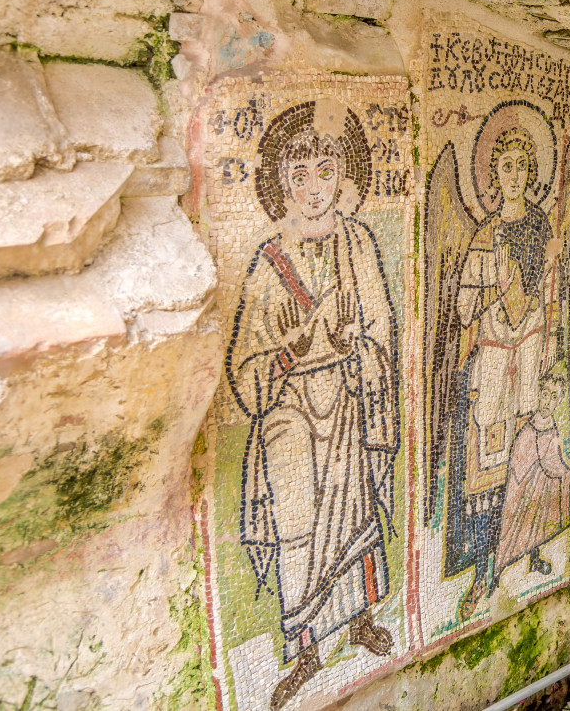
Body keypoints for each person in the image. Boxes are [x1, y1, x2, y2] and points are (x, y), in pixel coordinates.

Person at [227, 128, 399, 711]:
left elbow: (382, 330)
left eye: (325, 172)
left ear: (343, 178)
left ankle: (358, 620)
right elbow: (245, 370)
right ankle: (303, 649)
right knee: (298, 526)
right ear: (282, 185)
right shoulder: (268, 260)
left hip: (347, 399)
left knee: (353, 511)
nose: (313, 189)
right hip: (290, 414)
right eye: (299, 176)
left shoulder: (359, 245)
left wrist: (360, 347)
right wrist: (286, 354)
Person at [453, 125, 557, 619]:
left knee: (531, 456)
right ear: (494, 173)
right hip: (496, 360)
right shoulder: (486, 234)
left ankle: (528, 545)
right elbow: (462, 305)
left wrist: (553, 340)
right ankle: (481, 571)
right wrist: (489, 289)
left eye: (522, 165)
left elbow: (554, 286)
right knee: (489, 469)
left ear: (531, 173)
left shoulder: (542, 227)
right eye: (506, 166)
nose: (514, 175)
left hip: (532, 353)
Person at [494, 370, 570, 582]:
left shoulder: (552, 426)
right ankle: (498, 571)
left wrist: (564, 471)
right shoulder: (529, 430)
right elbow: (524, 460)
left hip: (541, 485)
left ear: (560, 400)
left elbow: (552, 457)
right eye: (545, 394)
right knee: (514, 528)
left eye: (554, 397)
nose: (548, 401)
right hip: (524, 485)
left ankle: (534, 556)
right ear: (539, 393)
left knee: (539, 520)